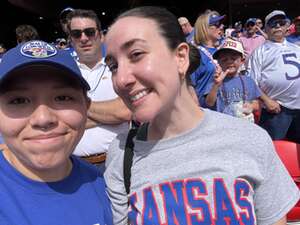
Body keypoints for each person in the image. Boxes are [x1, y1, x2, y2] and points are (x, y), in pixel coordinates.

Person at [103, 6, 300, 225]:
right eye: (112, 66)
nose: (121, 79)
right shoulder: (122, 153)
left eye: (136, 55)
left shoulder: (250, 139)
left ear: (180, 57)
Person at [0, 40, 113, 224]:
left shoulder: (101, 185)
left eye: (62, 97)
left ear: (86, 107)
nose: (43, 119)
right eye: (19, 100)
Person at [67, 9, 131, 165]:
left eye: (89, 32)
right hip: (75, 165)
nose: (84, 38)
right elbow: (60, 119)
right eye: (77, 34)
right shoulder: (64, 73)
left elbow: (125, 111)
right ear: (70, 39)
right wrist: (110, 115)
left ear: (101, 36)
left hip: (118, 161)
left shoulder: (120, 68)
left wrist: (76, 109)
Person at [248, 10, 300, 143]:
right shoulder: (260, 52)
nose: (277, 26)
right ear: (266, 28)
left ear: (286, 26)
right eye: (273, 24)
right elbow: (251, 82)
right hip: (277, 110)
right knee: (273, 148)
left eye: (281, 23)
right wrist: (267, 101)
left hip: (299, 108)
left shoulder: (296, 48)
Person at [204, 38, 261, 122]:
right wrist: (216, 85)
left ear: (242, 61)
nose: (229, 62)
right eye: (224, 59)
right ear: (219, 62)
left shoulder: (249, 81)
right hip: (224, 126)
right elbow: (209, 103)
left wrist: (251, 106)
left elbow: (257, 103)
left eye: (233, 58)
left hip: (245, 125)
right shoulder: (215, 81)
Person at [191, 10, 225, 105]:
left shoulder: (223, 50)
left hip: (224, 110)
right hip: (205, 110)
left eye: (221, 24)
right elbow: (189, 87)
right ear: (205, 28)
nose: (221, 27)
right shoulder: (195, 54)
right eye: (217, 24)